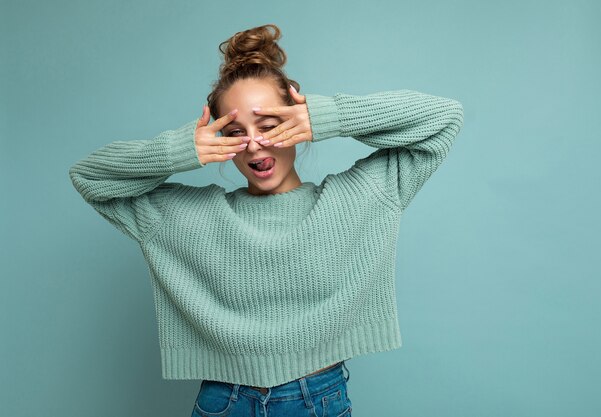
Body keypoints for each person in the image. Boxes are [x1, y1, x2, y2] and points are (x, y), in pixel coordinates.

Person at [68, 23, 464, 417]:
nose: (254, 143)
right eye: (237, 132)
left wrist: (329, 116)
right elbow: (89, 177)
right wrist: (180, 150)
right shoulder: (185, 217)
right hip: (224, 402)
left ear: (296, 124)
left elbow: (443, 118)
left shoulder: (359, 198)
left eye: (270, 126)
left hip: (318, 398)